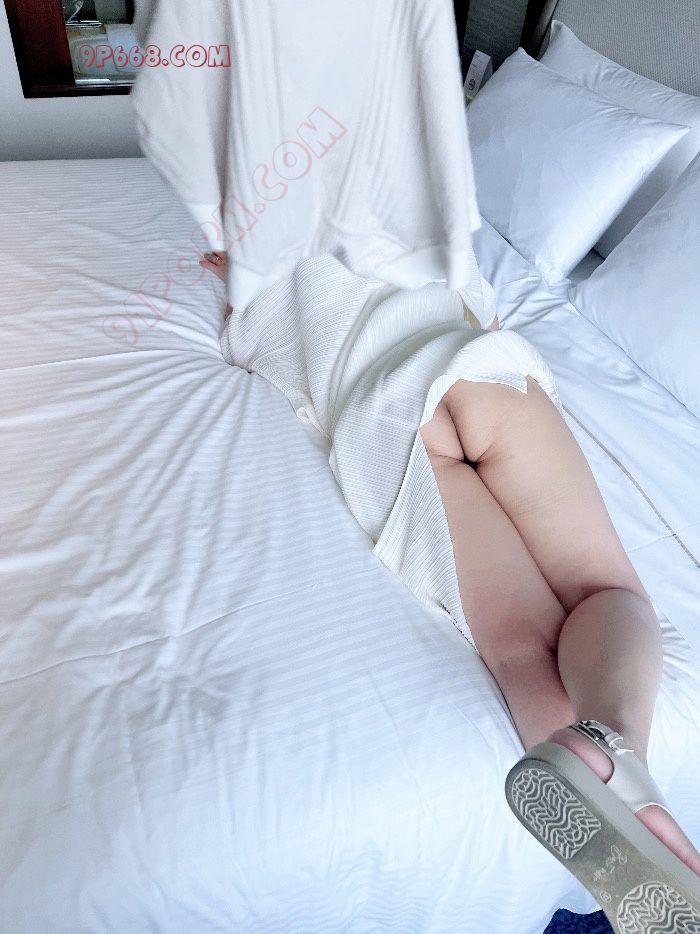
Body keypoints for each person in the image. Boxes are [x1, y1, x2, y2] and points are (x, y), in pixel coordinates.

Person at [202, 248, 700, 931]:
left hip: (388, 416)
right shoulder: (419, 224)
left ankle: (607, 771)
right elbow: (480, 306)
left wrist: (240, 273)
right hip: (475, 373)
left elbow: (258, 348)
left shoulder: (268, 268)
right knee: (604, 591)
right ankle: (618, 748)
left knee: (519, 650)